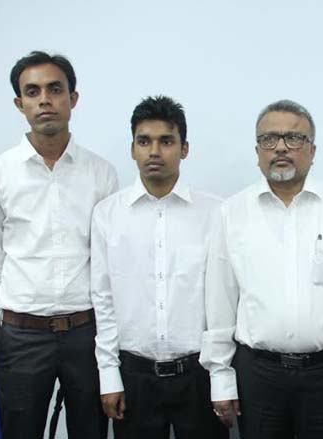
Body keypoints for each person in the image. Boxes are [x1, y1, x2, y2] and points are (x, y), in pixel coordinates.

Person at [201, 99, 323, 438]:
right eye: (270, 139)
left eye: (295, 138)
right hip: (258, 378)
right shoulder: (232, 213)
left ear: (313, 150)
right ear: (257, 150)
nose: (282, 147)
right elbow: (220, 302)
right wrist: (220, 378)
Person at [0, 51, 117, 439]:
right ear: (20, 104)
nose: (45, 100)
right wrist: (16, 307)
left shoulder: (101, 173)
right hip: (22, 335)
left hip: (86, 332)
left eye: (55, 89)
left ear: (73, 98)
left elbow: (108, 258)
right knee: (20, 430)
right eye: (32, 91)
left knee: (90, 429)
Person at [91, 96, 228, 439]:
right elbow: (103, 299)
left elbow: (224, 301)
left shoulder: (216, 213)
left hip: (199, 374)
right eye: (144, 141)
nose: (154, 151)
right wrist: (109, 375)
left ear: (184, 149)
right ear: (133, 148)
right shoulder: (108, 214)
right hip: (134, 375)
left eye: (166, 141)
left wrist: (222, 378)